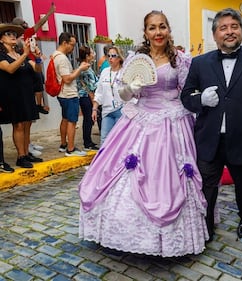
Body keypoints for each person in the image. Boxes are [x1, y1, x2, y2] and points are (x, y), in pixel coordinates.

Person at [79, 10, 208, 256]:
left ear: (168, 29)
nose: (158, 32)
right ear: (146, 32)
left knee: (170, 175)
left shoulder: (180, 59)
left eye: (162, 26)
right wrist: (131, 88)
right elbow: (125, 95)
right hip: (140, 118)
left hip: (172, 121)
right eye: (152, 27)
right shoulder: (136, 58)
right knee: (120, 173)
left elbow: (187, 91)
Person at [181, 8, 242, 240]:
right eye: (223, 28)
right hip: (209, 139)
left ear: (241, 31)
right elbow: (186, 97)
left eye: (234, 26)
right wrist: (200, 100)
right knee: (207, 187)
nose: (229, 32)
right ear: (215, 34)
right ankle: (206, 228)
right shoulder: (199, 63)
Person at [0, 23, 44, 168]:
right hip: (13, 95)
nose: (13, 36)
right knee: (18, 124)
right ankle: (21, 156)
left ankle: (26, 153)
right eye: (8, 34)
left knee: (27, 124)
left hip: (26, 93)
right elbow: (10, 69)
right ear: (1, 40)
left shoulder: (19, 54)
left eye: (13, 34)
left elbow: (36, 69)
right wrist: (25, 53)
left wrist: (37, 58)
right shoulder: (2, 55)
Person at [13, 2, 56, 115]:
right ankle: (38, 105)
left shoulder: (20, 35)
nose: (26, 23)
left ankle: (38, 104)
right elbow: (40, 23)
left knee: (38, 80)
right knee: (38, 79)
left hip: (29, 60)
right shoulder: (25, 33)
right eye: (24, 22)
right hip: (28, 61)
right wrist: (49, 13)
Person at [53, 32, 90, 157]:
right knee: (72, 121)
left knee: (65, 118)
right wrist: (80, 69)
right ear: (64, 43)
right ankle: (70, 148)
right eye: (72, 45)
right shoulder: (62, 58)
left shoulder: (55, 56)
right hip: (69, 94)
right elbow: (67, 79)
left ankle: (64, 144)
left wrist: (78, 68)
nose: (73, 48)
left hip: (62, 94)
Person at [92, 46, 125, 145]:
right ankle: (104, 160)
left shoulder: (124, 72)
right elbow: (99, 92)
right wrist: (94, 109)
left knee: (120, 141)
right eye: (108, 56)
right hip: (107, 111)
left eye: (113, 56)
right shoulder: (105, 72)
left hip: (121, 111)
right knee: (104, 140)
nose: (110, 58)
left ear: (119, 58)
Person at [76, 46, 99, 151]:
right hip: (86, 96)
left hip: (86, 96)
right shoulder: (85, 68)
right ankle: (87, 142)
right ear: (87, 56)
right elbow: (89, 87)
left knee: (88, 119)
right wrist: (93, 100)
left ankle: (88, 141)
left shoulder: (86, 66)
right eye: (91, 53)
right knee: (88, 119)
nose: (94, 54)